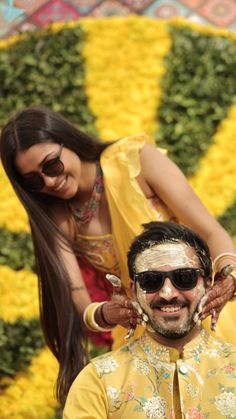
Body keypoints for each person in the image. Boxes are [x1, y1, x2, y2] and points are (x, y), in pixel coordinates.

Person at [0, 105, 235, 405]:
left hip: (204, 309)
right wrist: (104, 313)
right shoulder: (57, 216)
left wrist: (229, 278)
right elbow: (80, 302)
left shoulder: (136, 161)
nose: (48, 182)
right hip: (141, 328)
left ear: (67, 140)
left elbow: (211, 232)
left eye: (52, 166)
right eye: (34, 181)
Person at [63, 221, 236, 419]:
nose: (168, 293)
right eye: (150, 281)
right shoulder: (98, 380)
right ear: (134, 290)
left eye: (184, 277)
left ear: (208, 284)